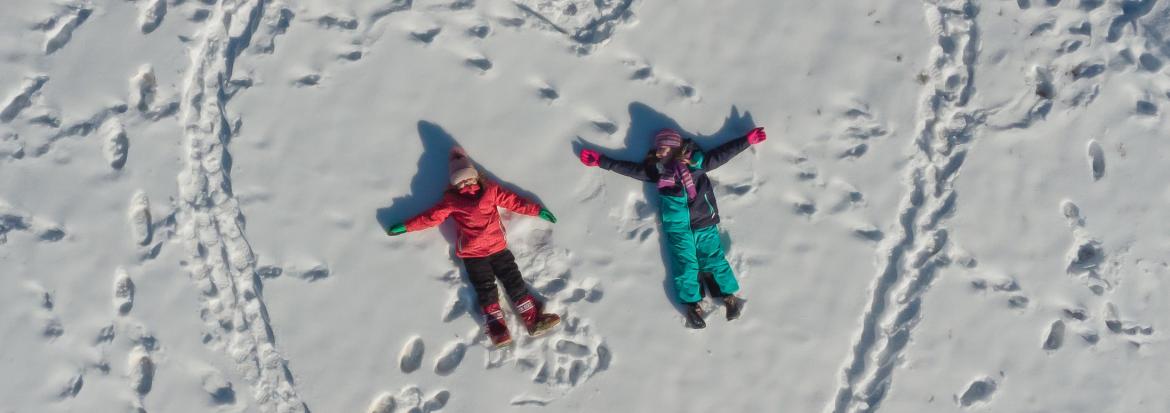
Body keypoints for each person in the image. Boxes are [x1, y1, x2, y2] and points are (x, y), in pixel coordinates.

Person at [578, 127, 766, 328]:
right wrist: (602, 161)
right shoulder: (658, 172)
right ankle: (694, 307)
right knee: (685, 266)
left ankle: (729, 298)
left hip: (704, 222)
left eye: (664, 149)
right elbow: (631, 169)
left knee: (713, 259)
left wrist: (746, 140)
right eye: (658, 150)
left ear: (676, 149)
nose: (659, 153)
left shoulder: (698, 164)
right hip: (677, 229)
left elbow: (723, 154)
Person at [385, 147, 561, 347]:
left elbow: (515, 202)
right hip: (473, 255)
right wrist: (406, 226)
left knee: (514, 282)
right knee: (485, 289)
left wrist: (537, 210)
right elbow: (430, 218)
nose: (466, 184)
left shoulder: (491, 191)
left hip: (498, 249)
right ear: (455, 186)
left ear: (476, 177)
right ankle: (498, 330)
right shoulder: (451, 202)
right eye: (460, 182)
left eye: (468, 179)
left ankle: (532, 319)